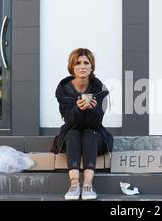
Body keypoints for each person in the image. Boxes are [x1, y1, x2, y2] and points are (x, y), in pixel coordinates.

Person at [54, 48, 113, 200]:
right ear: (72, 67)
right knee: (73, 134)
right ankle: (74, 184)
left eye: (86, 63)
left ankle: (87, 184)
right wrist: (78, 109)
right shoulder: (64, 90)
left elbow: (98, 120)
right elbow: (67, 117)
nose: (82, 66)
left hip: (94, 135)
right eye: (78, 63)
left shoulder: (100, 89)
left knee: (89, 133)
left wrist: (93, 109)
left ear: (91, 67)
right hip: (71, 134)